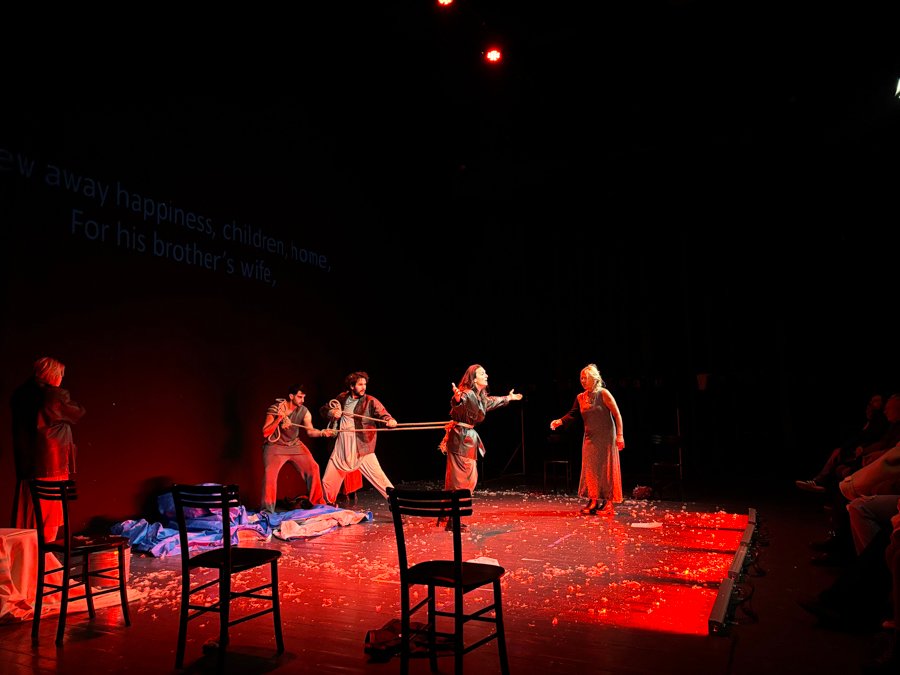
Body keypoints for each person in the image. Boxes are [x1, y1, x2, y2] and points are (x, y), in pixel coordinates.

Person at [438, 364, 523, 530]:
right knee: (461, 480)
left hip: (467, 439)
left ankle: (447, 514)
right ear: (474, 378)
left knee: (465, 479)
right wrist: (457, 399)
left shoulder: (480, 396)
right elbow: (459, 401)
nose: (486, 375)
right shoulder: (467, 393)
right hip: (460, 439)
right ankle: (453, 519)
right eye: (482, 373)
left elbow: (492, 401)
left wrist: (509, 398)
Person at [10, 356, 85, 541]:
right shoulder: (53, 395)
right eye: (60, 375)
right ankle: (46, 550)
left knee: (30, 511)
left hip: (27, 463)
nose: (61, 379)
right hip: (52, 461)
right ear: (52, 374)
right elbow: (77, 412)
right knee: (50, 511)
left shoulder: (21, 393)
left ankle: (31, 552)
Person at [550, 363, 625, 515]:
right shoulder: (580, 397)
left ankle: (608, 503)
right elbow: (572, 414)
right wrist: (560, 421)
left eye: (585, 378)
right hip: (590, 438)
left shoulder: (603, 394)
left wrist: (620, 435)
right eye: (581, 378)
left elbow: (617, 414)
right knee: (590, 469)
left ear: (594, 378)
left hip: (606, 437)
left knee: (606, 469)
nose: (582, 381)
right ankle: (593, 500)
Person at [319, 371, 397, 505]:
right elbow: (324, 409)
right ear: (351, 386)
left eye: (365, 384)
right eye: (360, 384)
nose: (364, 387)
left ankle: (398, 504)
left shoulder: (370, 401)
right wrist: (332, 412)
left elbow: (382, 414)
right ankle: (328, 507)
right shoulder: (341, 398)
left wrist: (389, 420)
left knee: (381, 480)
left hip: (362, 448)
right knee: (328, 481)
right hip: (342, 448)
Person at [260, 384, 334, 513]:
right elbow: (265, 433)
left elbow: (310, 431)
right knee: (269, 475)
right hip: (275, 446)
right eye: (300, 397)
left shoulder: (304, 411)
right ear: (291, 396)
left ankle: (317, 503)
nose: (302, 400)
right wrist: (279, 419)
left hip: (294, 445)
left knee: (313, 468)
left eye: (304, 397)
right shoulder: (275, 409)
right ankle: (267, 510)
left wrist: (322, 433)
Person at [796, 393, 887, 493]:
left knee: (838, 457)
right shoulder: (869, 423)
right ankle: (820, 483)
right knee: (837, 455)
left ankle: (819, 482)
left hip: (865, 452)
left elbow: (874, 440)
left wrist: (859, 448)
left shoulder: (881, 421)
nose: (871, 403)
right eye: (871, 401)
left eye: (875, 401)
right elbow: (856, 439)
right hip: (857, 450)